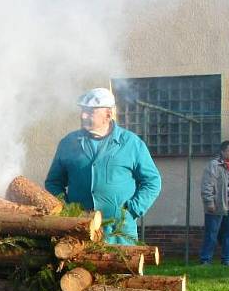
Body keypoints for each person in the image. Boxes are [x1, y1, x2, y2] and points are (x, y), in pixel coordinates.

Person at [44, 88, 161, 245]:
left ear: (108, 114)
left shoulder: (131, 143)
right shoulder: (69, 143)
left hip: (119, 232)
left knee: (122, 268)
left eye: (90, 112)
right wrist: (66, 209)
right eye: (82, 110)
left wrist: (131, 210)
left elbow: (152, 181)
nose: (83, 115)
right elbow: (53, 183)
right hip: (79, 231)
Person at [199, 140, 229, 266]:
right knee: (212, 233)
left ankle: (228, 260)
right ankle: (206, 259)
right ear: (222, 152)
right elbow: (207, 184)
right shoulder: (214, 165)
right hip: (217, 205)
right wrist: (209, 201)